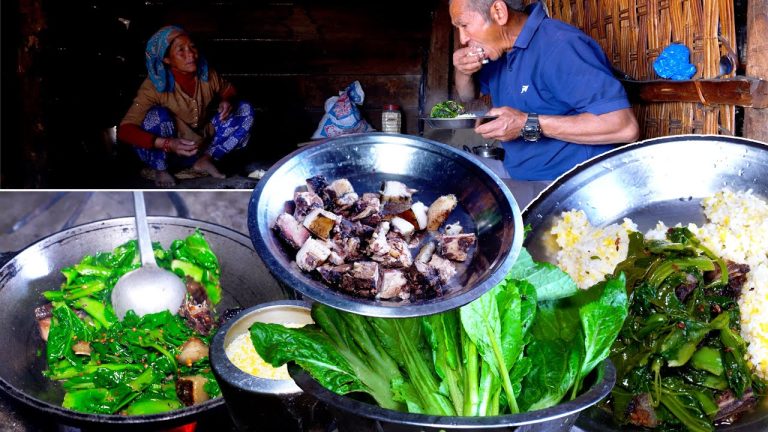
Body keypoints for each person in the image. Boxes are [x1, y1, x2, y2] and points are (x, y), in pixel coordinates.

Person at [450, 0, 640, 181]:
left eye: (464, 25)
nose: (462, 39)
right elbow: (468, 98)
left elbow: (624, 127)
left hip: (566, 180)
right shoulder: (499, 52)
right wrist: (462, 72)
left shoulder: (560, 45)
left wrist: (527, 124)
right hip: (515, 171)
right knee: (446, 173)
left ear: (499, 12)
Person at [118, 25, 254, 187]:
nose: (190, 54)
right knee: (157, 115)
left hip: (199, 146)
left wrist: (227, 101)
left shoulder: (206, 75)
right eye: (181, 50)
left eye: (192, 47)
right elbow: (125, 130)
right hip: (166, 150)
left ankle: (205, 160)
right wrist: (167, 144)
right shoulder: (153, 86)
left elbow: (228, 90)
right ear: (166, 59)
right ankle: (160, 169)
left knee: (244, 109)